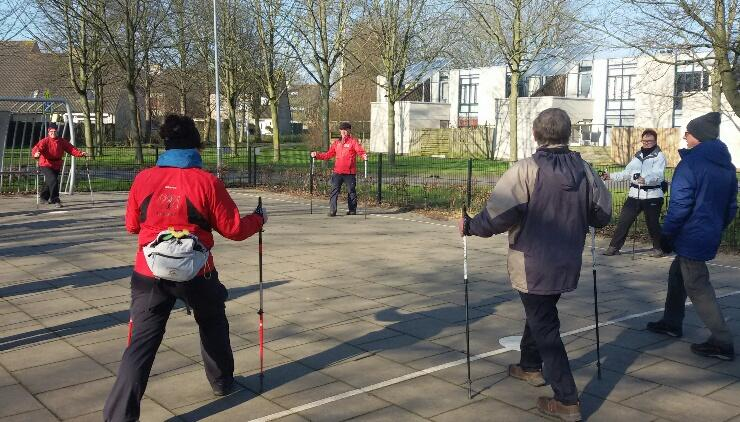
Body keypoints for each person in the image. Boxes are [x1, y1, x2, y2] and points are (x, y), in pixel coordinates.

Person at [103, 114, 267, 422]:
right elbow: (233, 229)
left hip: (149, 273)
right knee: (213, 323)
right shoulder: (207, 182)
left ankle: (119, 416)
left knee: (140, 345)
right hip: (198, 271)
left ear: (164, 144)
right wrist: (259, 218)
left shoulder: (143, 179)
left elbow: (130, 226)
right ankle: (221, 382)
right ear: (196, 145)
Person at [460, 108, 612, 422]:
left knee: (545, 326)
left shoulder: (526, 169)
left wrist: (471, 226)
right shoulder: (585, 170)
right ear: (568, 134)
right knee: (540, 313)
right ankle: (529, 366)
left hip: (532, 262)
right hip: (567, 260)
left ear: (535, 134)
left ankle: (567, 399)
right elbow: (602, 214)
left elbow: (498, 216)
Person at [647, 112, 737, 361]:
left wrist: (667, 234)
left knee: (698, 286)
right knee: (678, 274)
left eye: (687, 132)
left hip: (691, 234)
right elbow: (731, 207)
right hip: (707, 232)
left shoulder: (691, 164)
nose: (684, 136)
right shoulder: (726, 166)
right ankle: (671, 322)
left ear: (697, 136)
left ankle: (722, 341)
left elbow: (680, 205)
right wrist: (715, 227)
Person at [601, 129, 667, 257]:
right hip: (634, 195)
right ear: (642, 140)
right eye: (644, 140)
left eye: (650, 141)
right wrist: (611, 176)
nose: (647, 143)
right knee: (624, 221)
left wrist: (646, 179)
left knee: (652, 223)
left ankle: (658, 248)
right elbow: (627, 172)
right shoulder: (637, 156)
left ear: (655, 141)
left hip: (652, 196)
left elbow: (658, 175)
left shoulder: (659, 156)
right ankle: (614, 247)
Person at [311, 121, 367, 216]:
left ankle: (352, 210)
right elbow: (328, 154)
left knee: (351, 191)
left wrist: (364, 156)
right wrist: (317, 155)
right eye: (342, 130)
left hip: (349, 172)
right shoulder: (336, 143)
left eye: (345, 130)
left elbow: (360, 151)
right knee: (334, 191)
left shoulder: (353, 142)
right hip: (337, 172)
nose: (343, 132)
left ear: (349, 130)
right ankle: (333, 210)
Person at [31, 122, 87, 207]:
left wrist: (80, 153)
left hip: (56, 164)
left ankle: (43, 197)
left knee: (49, 181)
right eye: (51, 132)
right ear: (48, 132)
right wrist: (36, 154)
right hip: (45, 163)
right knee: (53, 180)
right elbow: (37, 148)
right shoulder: (45, 141)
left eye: (55, 131)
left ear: (57, 132)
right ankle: (55, 199)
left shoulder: (61, 141)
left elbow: (71, 149)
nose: (53, 133)